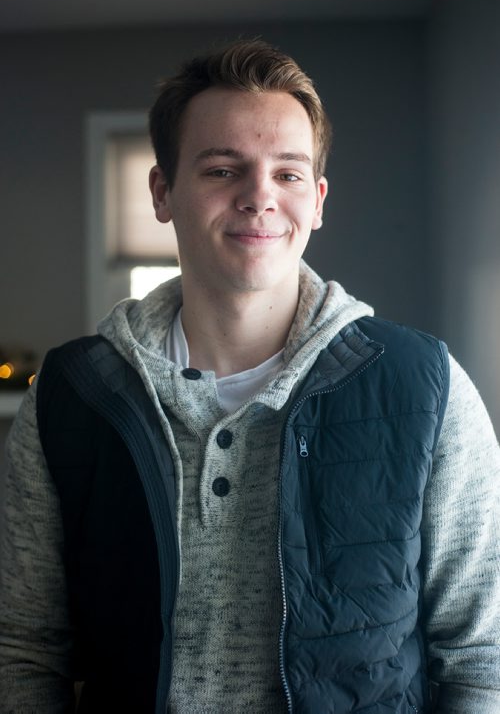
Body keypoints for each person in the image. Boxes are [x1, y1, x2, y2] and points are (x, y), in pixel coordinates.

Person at [0, 39, 499, 714]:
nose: (259, 196)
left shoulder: (428, 388)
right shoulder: (71, 395)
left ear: (317, 200)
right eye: (221, 169)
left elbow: (480, 658)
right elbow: (25, 650)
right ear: (162, 192)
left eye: (288, 174)